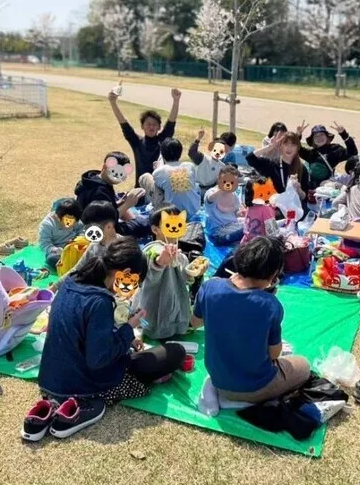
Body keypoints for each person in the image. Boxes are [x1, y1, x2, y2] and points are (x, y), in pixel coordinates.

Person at [39, 237, 187, 416]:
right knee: (175, 351)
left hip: (49, 379)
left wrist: (125, 337)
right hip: (81, 386)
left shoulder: (72, 282)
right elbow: (99, 359)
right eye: (134, 281)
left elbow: (85, 334)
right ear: (125, 272)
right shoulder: (99, 301)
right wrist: (129, 328)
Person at [191, 236, 311, 404]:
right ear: (273, 275)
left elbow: (195, 322)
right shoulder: (270, 305)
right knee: (304, 366)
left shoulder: (210, 287)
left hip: (218, 378)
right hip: (254, 387)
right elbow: (274, 354)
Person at [133, 205, 192, 341]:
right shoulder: (152, 249)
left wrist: (192, 273)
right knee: (147, 326)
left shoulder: (181, 256)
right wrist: (160, 261)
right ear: (155, 229)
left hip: (173, 311)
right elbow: (155, 260)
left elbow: (185, 280)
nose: (174, 227)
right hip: (151, 314)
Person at [108, 88, 182, 186]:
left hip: (160, 188)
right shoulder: (136, 142)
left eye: (154, 124)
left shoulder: (163, 141)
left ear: (159, 127)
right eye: (148, 124)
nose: (151, 127)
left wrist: (176, 100)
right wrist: (113, 103)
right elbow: (123, 123)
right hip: (141, 188)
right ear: (142, 126)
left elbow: (171, 121)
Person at [49, 201, 124, 293]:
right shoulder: (95, 245)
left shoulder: (122, 249)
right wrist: (55, 286)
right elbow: (77, 269)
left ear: (109, 226)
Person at [74, 151, 149, 238]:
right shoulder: (99, 192)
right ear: (105, 166)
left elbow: (104, 209)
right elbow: (108, 221)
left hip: (89, 225)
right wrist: (128, 204)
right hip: (99, 232)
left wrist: (120, 202)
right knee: (145, 223)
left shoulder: (92, 180)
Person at [245, 132, 309, 210]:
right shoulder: (271, 164)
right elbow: (250, 158)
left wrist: (298, 189)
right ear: (280, 146)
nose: (289, 148)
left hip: (294, 211)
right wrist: (268, 147)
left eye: (293, 145)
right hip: (273, 211)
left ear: (297, 148)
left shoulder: (302, 168)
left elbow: (305, 198)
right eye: (286, 144)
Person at [140, 138, 201, 219]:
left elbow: (159, 187)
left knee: (145, 177)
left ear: (162, 153)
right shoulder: (190, 165)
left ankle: (153, 206)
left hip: (172, 214)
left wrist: (157, 169)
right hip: (194, 211)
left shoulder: (159, 171)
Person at [296, 120, 358, 188]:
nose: (319, 138)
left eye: (322, 134)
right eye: (316, 136)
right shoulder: (310, 154)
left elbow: (353, 152)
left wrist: (344, 134)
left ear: (327, 136)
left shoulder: (335, 150)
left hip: (328, 186)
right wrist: (298, 135)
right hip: (311, 186)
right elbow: (297, 148)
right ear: (313, 140)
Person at [38, 198, 84, 268]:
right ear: (58, 216)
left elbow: (81, 230)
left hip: (74, 247)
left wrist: (77, 240)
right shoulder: (47, 224)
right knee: (51, 259)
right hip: (57, 252)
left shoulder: (76, 220)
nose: (70, 224)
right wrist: (56, 250)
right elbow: (44, 244)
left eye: (73, 221)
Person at [205, 165, 244, 246]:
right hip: (218, 231)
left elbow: (236, 212)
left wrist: (240, 213)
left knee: (253, 223)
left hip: (232, 224)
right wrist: (221, 189)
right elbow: (210, 199)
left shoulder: (234, 194)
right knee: (247, 229)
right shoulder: (212, 192)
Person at [188, 127, 227, 199]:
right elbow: (191, 152)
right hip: (197, 189)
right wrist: (198, 138)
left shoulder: (222, 166)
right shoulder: (203, 158)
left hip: (210, 192)